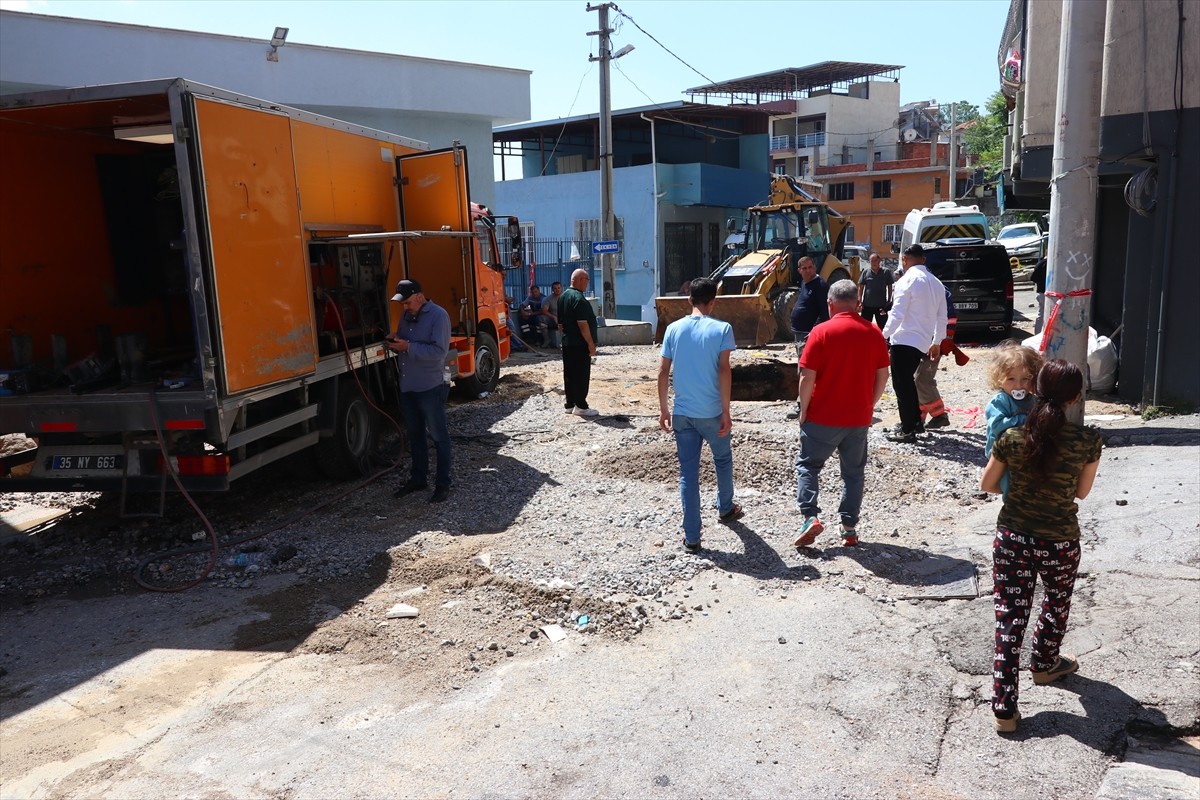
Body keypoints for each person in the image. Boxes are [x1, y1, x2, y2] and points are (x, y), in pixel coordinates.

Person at [981, 359, 1102, 734]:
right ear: (1076, 397)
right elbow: (1082, 492)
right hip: (1060, 540)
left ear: (1036, 389)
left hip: (1013, 537)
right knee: (1055, 601)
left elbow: (988, 484)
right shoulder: (1087, 441)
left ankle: (1004, 708)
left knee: (1009, 616)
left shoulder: (1012, 437)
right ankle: (1045, 664)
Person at [793, 279, 891, 549]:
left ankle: (810, 517)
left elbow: (806, 377)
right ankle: (849, 529)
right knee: (853, 473)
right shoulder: (873, 333)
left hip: (822, 416)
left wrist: (803, 410)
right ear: (858, 303)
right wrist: (868, 405)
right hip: (857, 418)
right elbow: (882, 375)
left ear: (830, 303)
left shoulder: (820, 332)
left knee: (809, 466)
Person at [658, 278, 742, 553]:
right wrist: (726, 410)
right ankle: (726, 507)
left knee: (688, 475)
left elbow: (662, 372)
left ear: (689, 299)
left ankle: (692, 537)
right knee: (722, 459)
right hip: (712, 413)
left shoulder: (673, 329)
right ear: (713, 301)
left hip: (682, 414)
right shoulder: (722, 329)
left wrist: (663, 409)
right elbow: (724, 370)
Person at [386, 279, 453, 503]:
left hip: (429, 386)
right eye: (402, 304)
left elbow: (439, 351)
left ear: (419, 297)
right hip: (408, 386)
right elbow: (408, 343)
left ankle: (443, 483)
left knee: (439, 436)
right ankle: (418, 478)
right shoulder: (407, 316)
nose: (404, 308)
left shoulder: (439, 316)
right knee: (415, 436)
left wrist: (408, 347)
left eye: (406, 303)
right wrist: (396, 342)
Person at [881, 244, 947, 443]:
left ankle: (907, 429)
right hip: (922, 341)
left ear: (904, 260)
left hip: (904, 339)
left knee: (902, 385)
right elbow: (942, 316)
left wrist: (883, 335)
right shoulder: (936, 283)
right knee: (908, 383)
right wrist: (937, 341)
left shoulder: (906, 281)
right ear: (924, 259)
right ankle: (914, 423)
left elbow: (897, 314)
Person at [984, 343, 1044, 495]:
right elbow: (997, 425)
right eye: (1011, 379)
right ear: (999, 379)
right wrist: (1025, 419)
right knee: (1009, 485)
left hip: (1026, 450)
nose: (1018, 385)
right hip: (1003, 455)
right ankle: (1010, 504)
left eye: (1025, 379)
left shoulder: (1033, 400)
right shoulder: (1000, 401)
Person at [558, 268, 599, 417]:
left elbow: (560, 325)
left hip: (568, 342)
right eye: (586, 281)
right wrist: (590, 344)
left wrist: (564, 339)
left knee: (569, 374)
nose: (587, 284)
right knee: (581, 375)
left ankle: (570, 404)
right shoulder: (579, 299)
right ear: (580, 280)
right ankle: (581, 405)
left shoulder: (562, 297)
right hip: (579, 344)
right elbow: (583, 324)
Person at [789, 256, 829, 360]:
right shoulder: (804, 283)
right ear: (799, 270)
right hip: (799, 331)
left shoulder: (820, 285)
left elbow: (824, 312)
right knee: (801, 360)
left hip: (809, 333)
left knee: (809, 363)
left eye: (810, 267)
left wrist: (814, 331)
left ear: (815, 268)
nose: (808, 270)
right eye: (804, 268)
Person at [858, 253, 894, 328]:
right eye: (872, 261)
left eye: (875, 260)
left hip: (881, 305)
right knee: (864, 327)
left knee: (883, 327)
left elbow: (890, 286)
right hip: (867, 305)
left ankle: (884, 340)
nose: (874, 263)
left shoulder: (886, 272)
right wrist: (860, 300)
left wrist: (889, 300)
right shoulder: (866, 272)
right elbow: (861, 287)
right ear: (869, 262)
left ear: (879, 261)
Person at [542, 281, 564, 348]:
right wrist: (553, 317)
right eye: (555, 288)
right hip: (553, 320)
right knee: (542, 319)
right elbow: (544, 311)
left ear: (561, 288)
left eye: (558, 288)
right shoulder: (548, 299)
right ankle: (547, 340)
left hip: (564, 319)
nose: (557, 290)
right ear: (552, 289)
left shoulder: (566, 297)